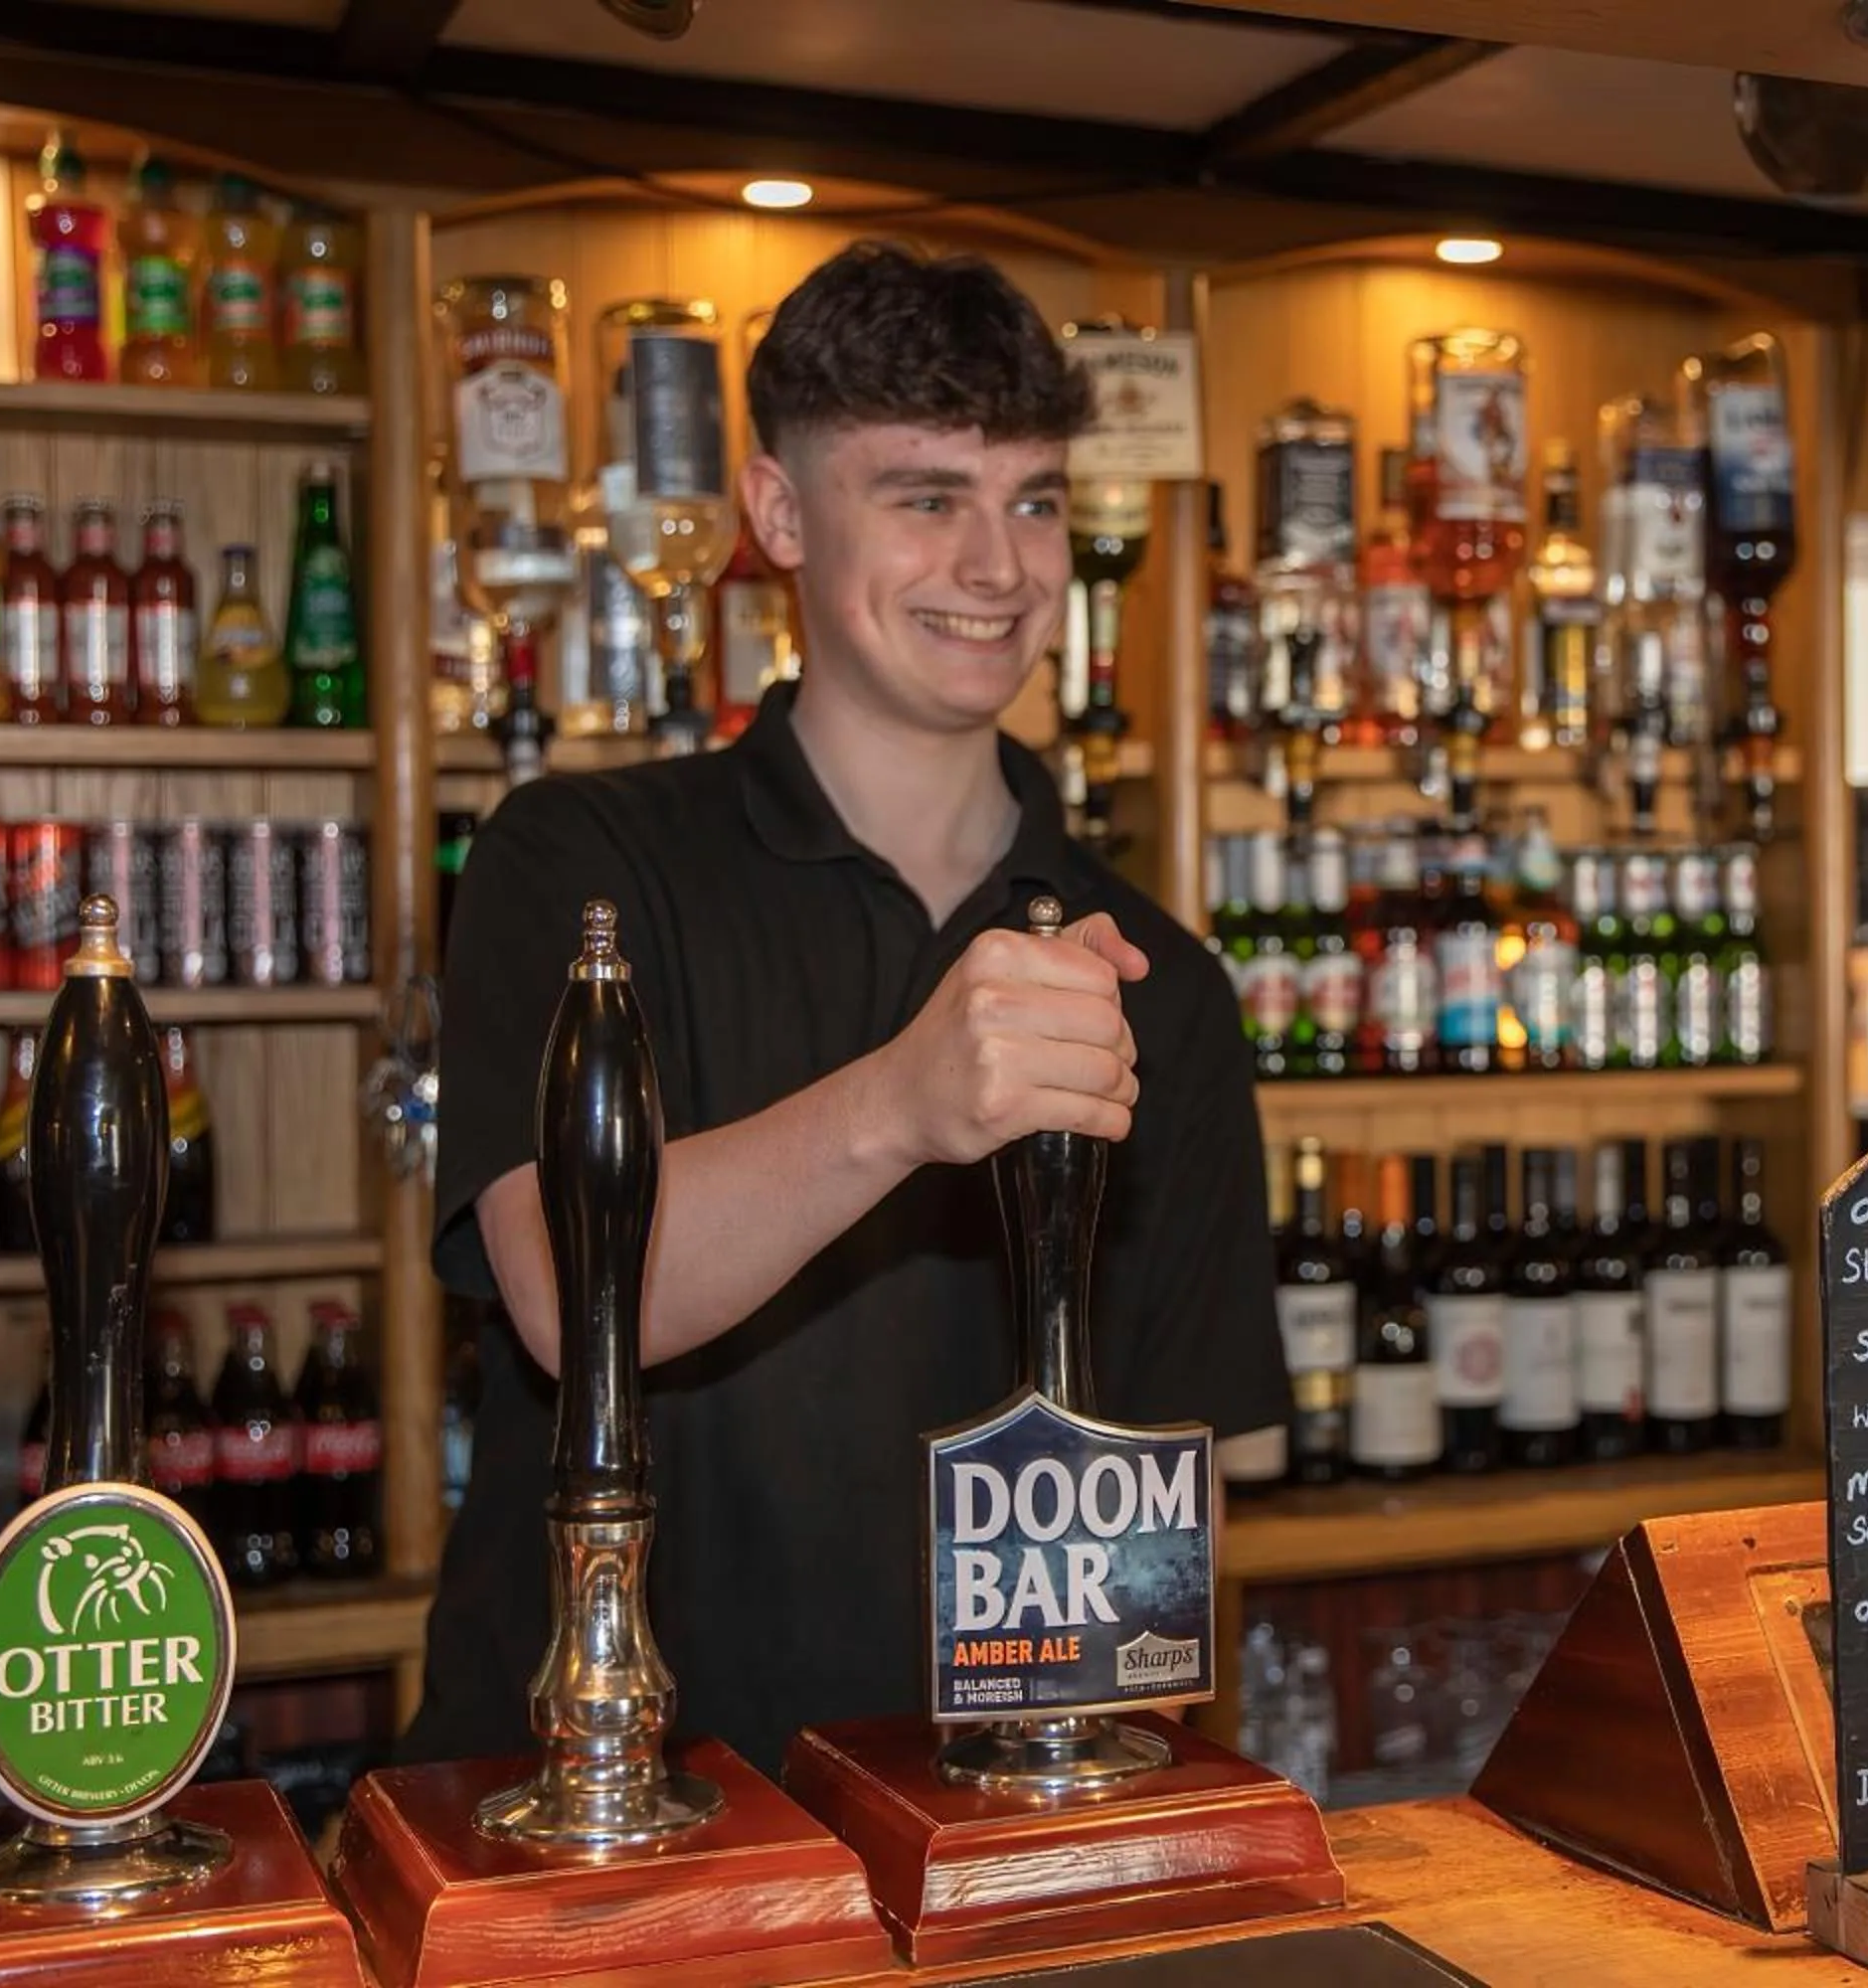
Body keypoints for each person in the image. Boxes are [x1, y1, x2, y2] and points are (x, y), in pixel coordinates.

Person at [406, 240, 1288, 1772]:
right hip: (597, 1812)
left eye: (1034, 499)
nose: (1000, 568)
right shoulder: (583, 866)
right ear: (776, 514)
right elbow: (565, 1300)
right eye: (927, 496)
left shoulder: (1159, 978)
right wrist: (898, 1105)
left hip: (979, 1838)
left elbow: (1175, 1492)